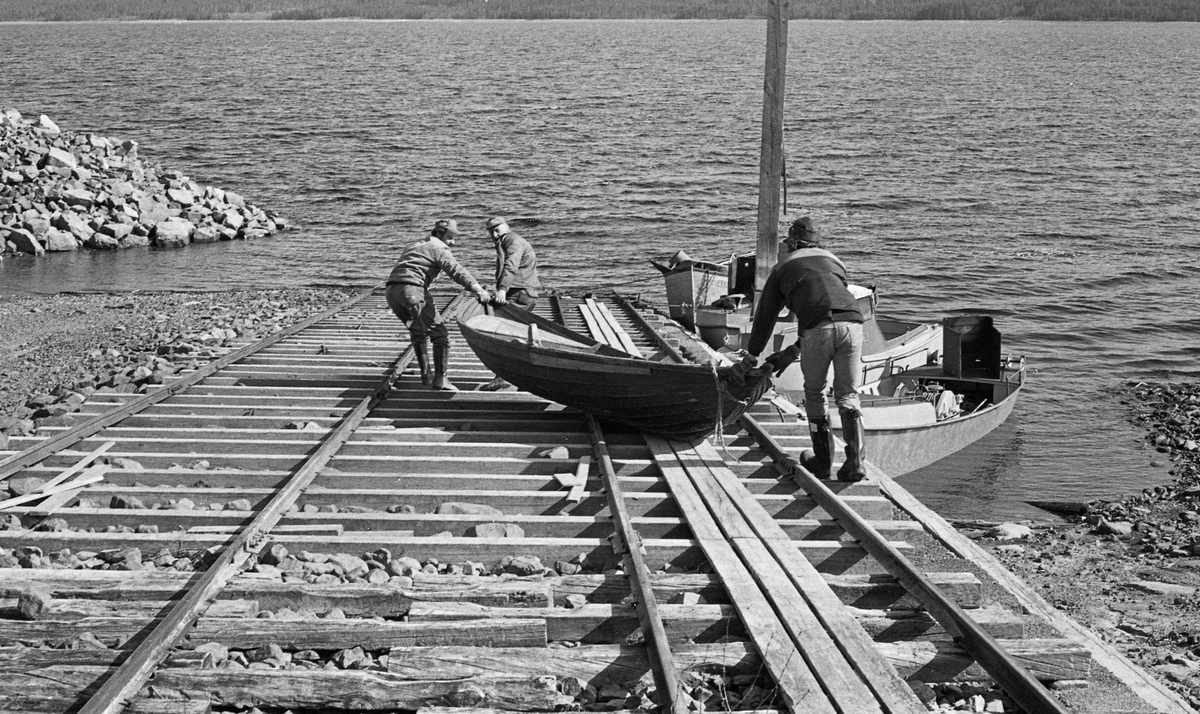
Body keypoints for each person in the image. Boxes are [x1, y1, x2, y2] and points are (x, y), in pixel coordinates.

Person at [734, 216, 868, 481]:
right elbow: (830, 310)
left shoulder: (783, 268)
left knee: (815, 393)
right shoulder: (835, 263)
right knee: (848, 395)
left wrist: (751, 356)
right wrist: (794, 350)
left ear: (793, 243)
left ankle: (822, 462)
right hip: (854, 324)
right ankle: (855, 462)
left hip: (819, 329)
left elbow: (766, 317)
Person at [385, 219, 490, 392]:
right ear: (439, 233)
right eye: (450, 237)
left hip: (392, 292)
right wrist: (477, 289)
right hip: (412, 290)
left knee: (418, 332)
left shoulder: (416, 244)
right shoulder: (438, 247)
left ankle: (426, 376)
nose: (453, 243)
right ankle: (441, 380)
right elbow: (455, 270)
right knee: (440, 334)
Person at [484, 216, 542, 310]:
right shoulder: (508, 241)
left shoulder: (513, 241)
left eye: (497, 230)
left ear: (506, 227)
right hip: (524, 292)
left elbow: (511, 266)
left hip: (520, 293)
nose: (494, 235)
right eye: (491, 232)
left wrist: (502, 290)